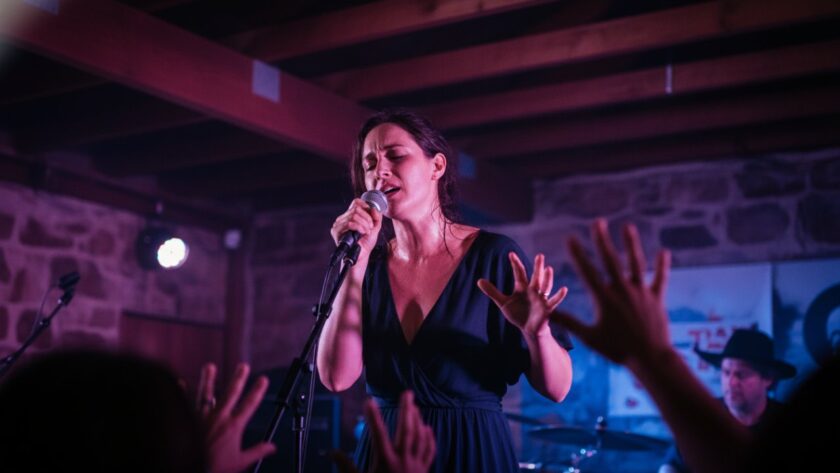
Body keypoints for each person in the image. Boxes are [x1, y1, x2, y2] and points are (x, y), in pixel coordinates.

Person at [317, 109, 574, 472]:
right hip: (386, 455)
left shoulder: (493, 255)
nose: (379, 170)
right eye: (370, 162)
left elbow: (558, 389)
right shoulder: (367, 267)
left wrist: (538, 333)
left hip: (472, 451)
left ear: (436, 166)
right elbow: (336, 377)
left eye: (395, 155)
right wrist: (355, 264)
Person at [659, 329, 796, 473]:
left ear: (768, 379)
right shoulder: (703, 415)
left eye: (741, 374)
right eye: (726, 372)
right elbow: (672, 464)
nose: (731, 382)